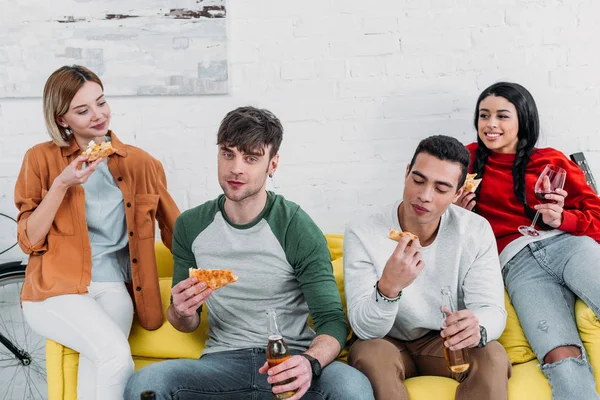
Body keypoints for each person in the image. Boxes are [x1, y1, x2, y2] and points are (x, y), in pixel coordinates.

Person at [124, 106, 374, 400]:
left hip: (290, 359)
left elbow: (331, 319)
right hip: (222, 364)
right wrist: (180, 310)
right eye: (228, 154)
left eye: (251, 158)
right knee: (146, 383)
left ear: (273, 164)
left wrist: (309, 363)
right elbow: (186, 323)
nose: (236, 168)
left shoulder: (295, 226)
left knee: (352, 386)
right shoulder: (190, 226)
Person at [14, 65, 180, 399]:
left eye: (101, 102)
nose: (98, 115)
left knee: (100, 371)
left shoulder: (142, 164)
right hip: (55, 289)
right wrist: (62, 183)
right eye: (82, 110)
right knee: (117, 359)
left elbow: (175, 230)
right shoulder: (40, 159)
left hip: (112, 288)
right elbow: (29, 240)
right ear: (62, 119)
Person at [455, 81, 600, 399]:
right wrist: (454, 214)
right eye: (484, 115)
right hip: (517, 266)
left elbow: (597, 218)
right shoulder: (465, 161)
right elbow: (430, 220)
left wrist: (562, 219)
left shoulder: (551, 160)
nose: (490, 124)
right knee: (559, 356)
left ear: (524, 119)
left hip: (568, 246)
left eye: (502, 116)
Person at [344, 135, 511, 400]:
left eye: (441, 189)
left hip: (444, 341)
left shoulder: (475, 231)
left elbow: (492, 309)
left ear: (457, 194)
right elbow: (364, 329)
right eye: (418, 181)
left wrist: (477, 326)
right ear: (406, 173)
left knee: (492, 354)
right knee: (370, 353)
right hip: (386, 342)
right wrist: (389, 287)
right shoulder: (364, 231)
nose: (424, 196)